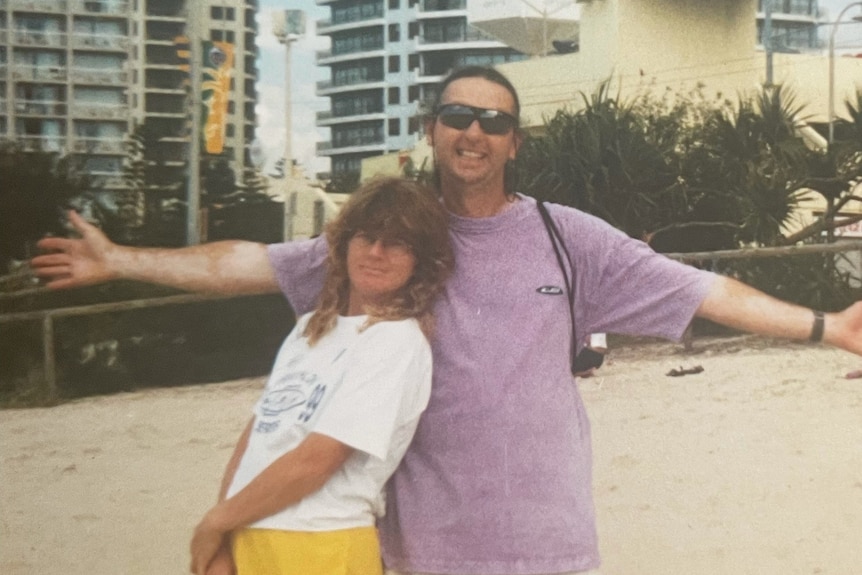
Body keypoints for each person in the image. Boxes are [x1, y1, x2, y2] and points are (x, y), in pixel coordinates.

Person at [31, 66, 862, 575]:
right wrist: (123, 259)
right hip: (416, 543)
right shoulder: (388, 237)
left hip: (543, 536)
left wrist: (830, 328)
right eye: (458, 116)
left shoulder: (565, 236)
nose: (474, 131)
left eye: (494, 120)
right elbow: (248, 262)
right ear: (431, 130)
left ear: (515, 142)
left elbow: (703, 291)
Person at [188, 177, 453, 575]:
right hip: (249, 532)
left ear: (420, 261)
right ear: (343, 244)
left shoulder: (396, 340)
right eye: (366, 237)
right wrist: (224, 535)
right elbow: (258, 436)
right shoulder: (309, 329)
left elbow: (318, 461)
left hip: (321, 542)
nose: (376, 253)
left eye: (398, 243)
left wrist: (215, 522)